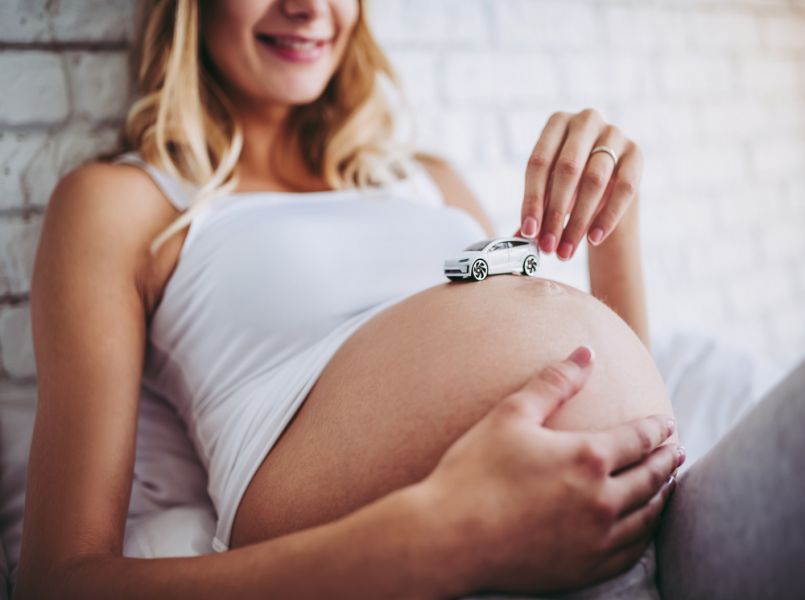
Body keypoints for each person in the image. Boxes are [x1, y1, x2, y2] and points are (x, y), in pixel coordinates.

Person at [16, 0, 712, 597]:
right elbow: (61, 581)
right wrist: (439, 535)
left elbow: (582, 348)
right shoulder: (123, 202)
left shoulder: (426, 180)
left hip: (647, 524)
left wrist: (608, 217)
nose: (309, 5)